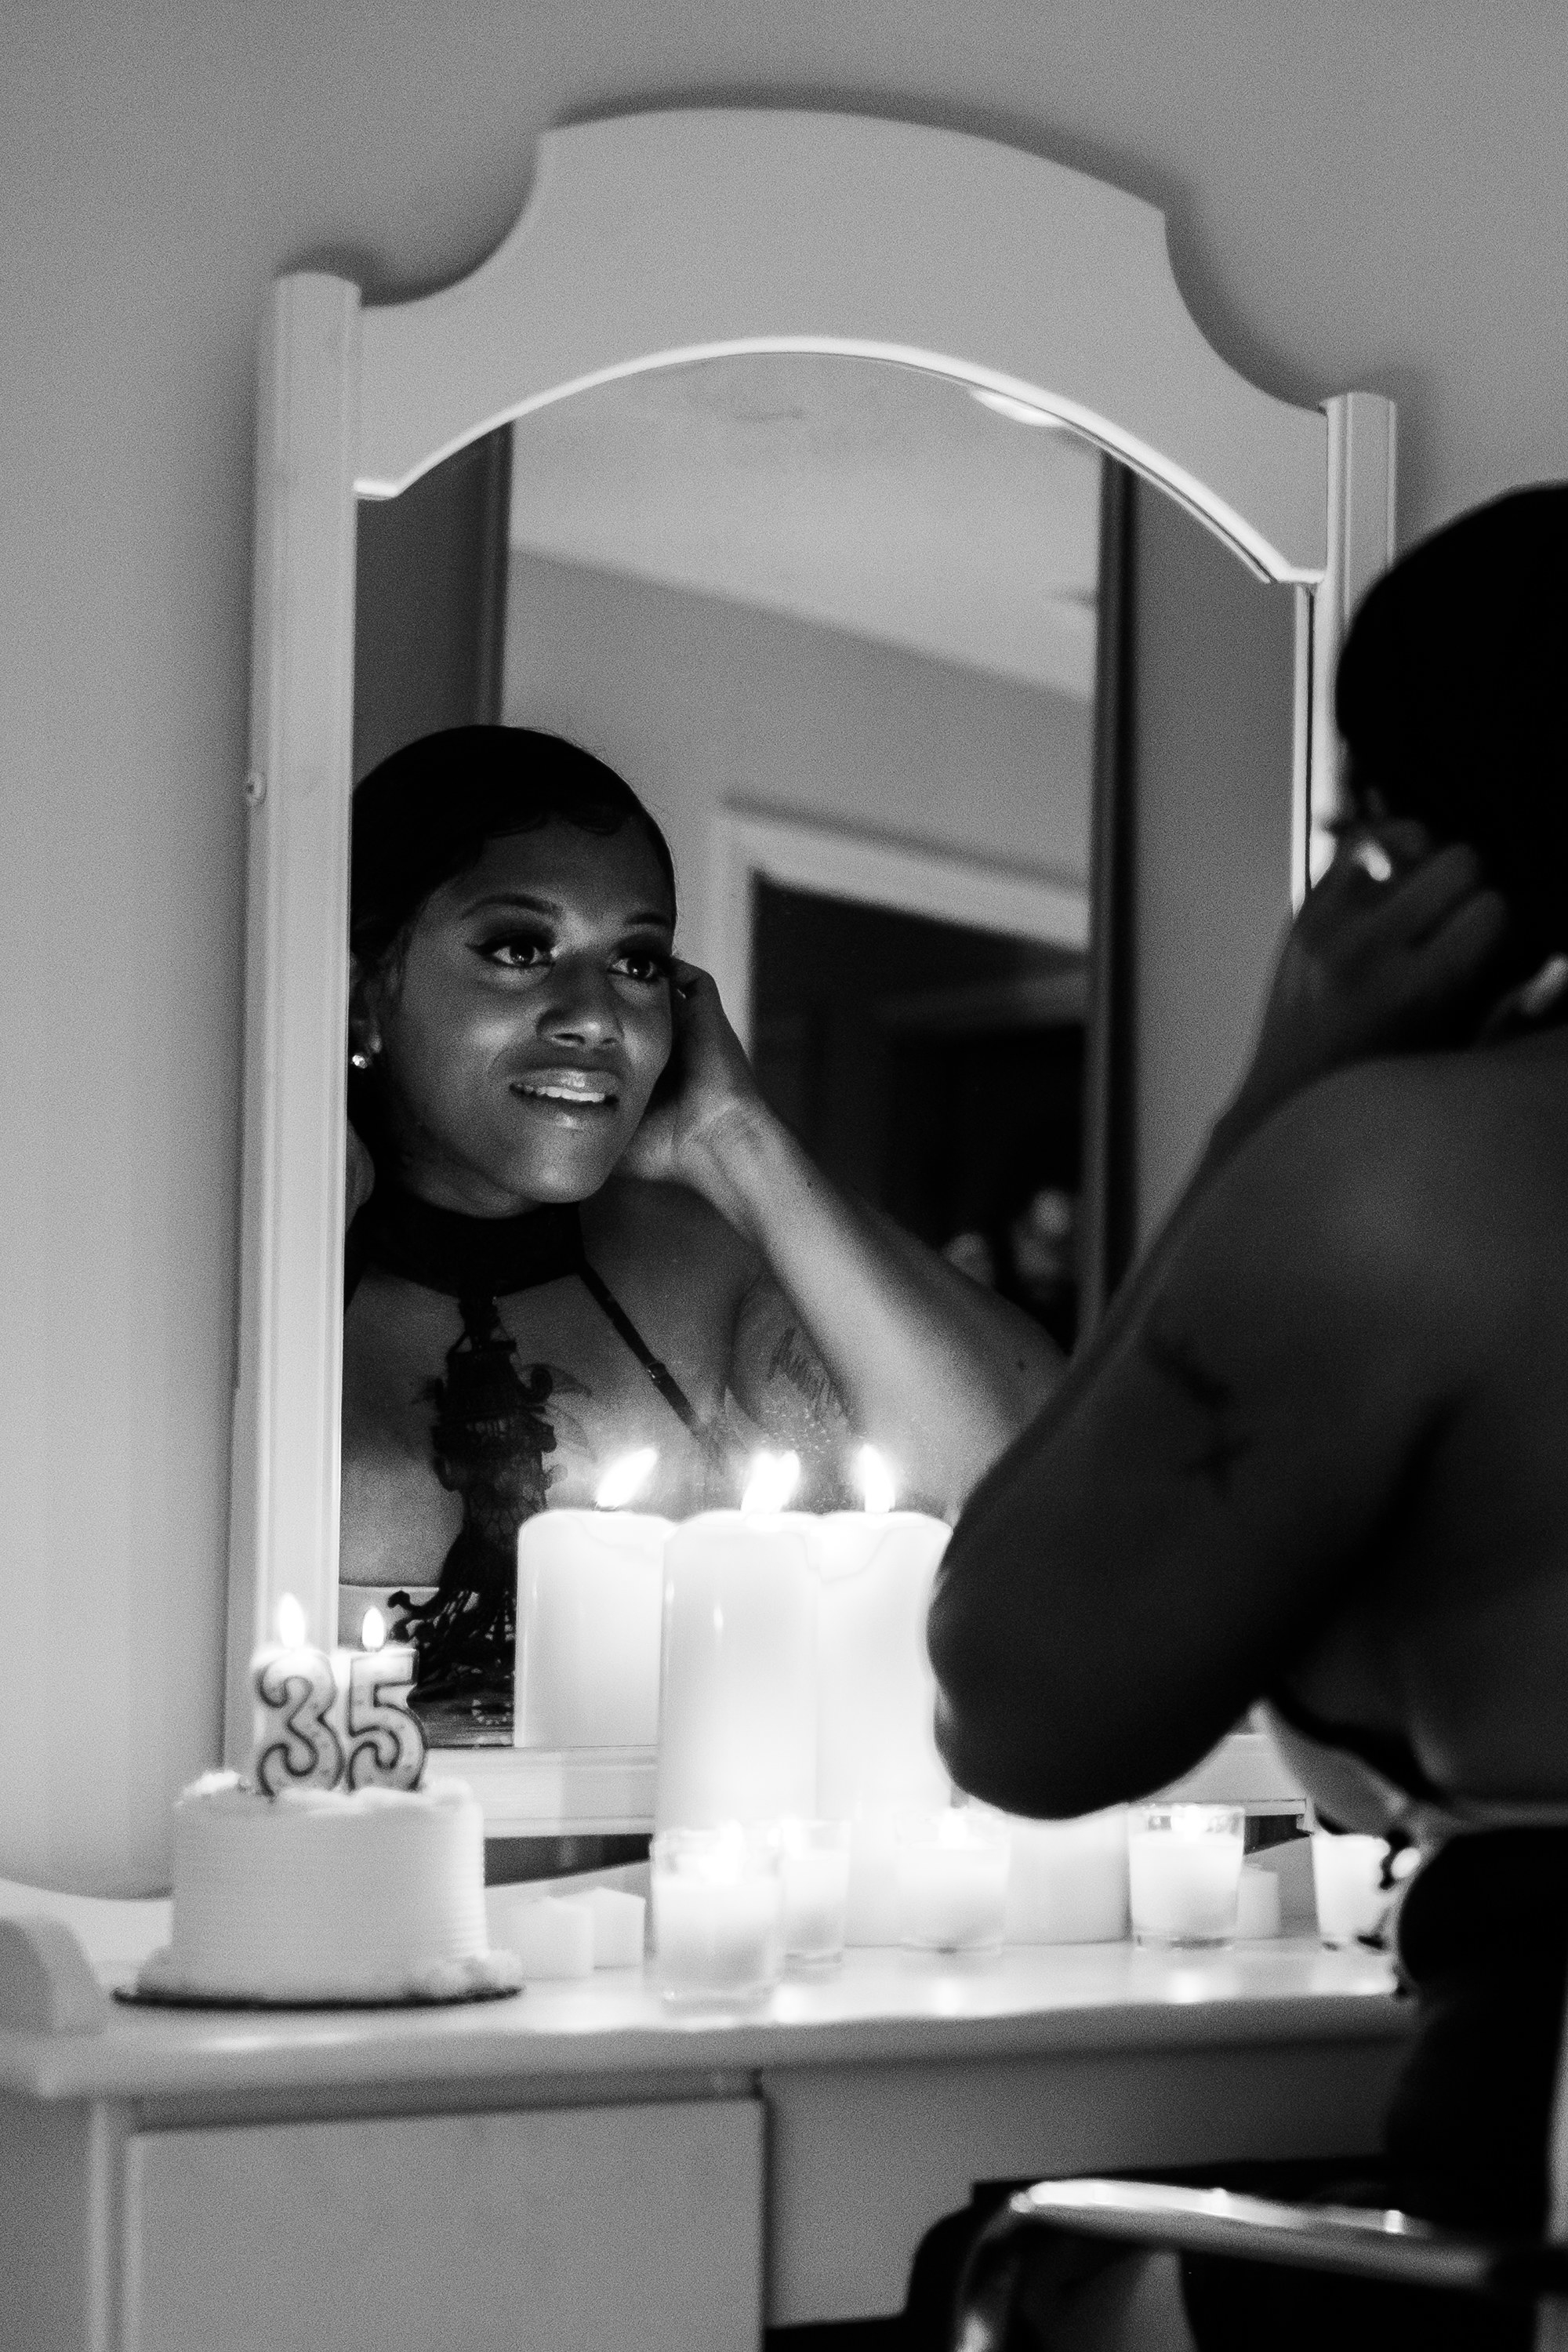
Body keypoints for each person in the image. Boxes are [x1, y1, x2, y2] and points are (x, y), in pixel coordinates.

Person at [930, 483, 1568, 2349]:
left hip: (1529, 2235)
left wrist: (1273, 1105)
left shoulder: (1401, 1187)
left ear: (1410, 850)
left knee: (1027, 2289)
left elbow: (1018, 1703)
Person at [341, 724, 1059, 1734]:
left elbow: (1034, 1500)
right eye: (519, 947)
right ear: (365, 992)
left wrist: (740, 1143)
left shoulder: (699, 1271)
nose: (596, 1015)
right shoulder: (250, 1266)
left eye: (637, 961)